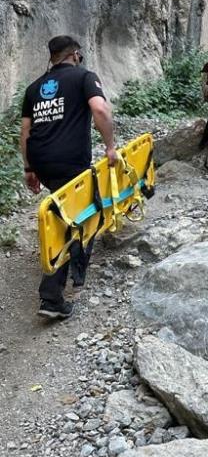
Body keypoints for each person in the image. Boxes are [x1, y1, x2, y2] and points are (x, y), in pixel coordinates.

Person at [20, 36, 117, 320]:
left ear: (53, 58)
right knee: (72, 218)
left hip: (43, 162)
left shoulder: (34, 88)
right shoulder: (84, 76)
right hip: (70, 161)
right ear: (75, 55)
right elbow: (100, 109)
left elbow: (25, 133)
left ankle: (77, 269)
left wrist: (29, 168)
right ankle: (52, 297)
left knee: (67, 209)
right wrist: (110, 146)